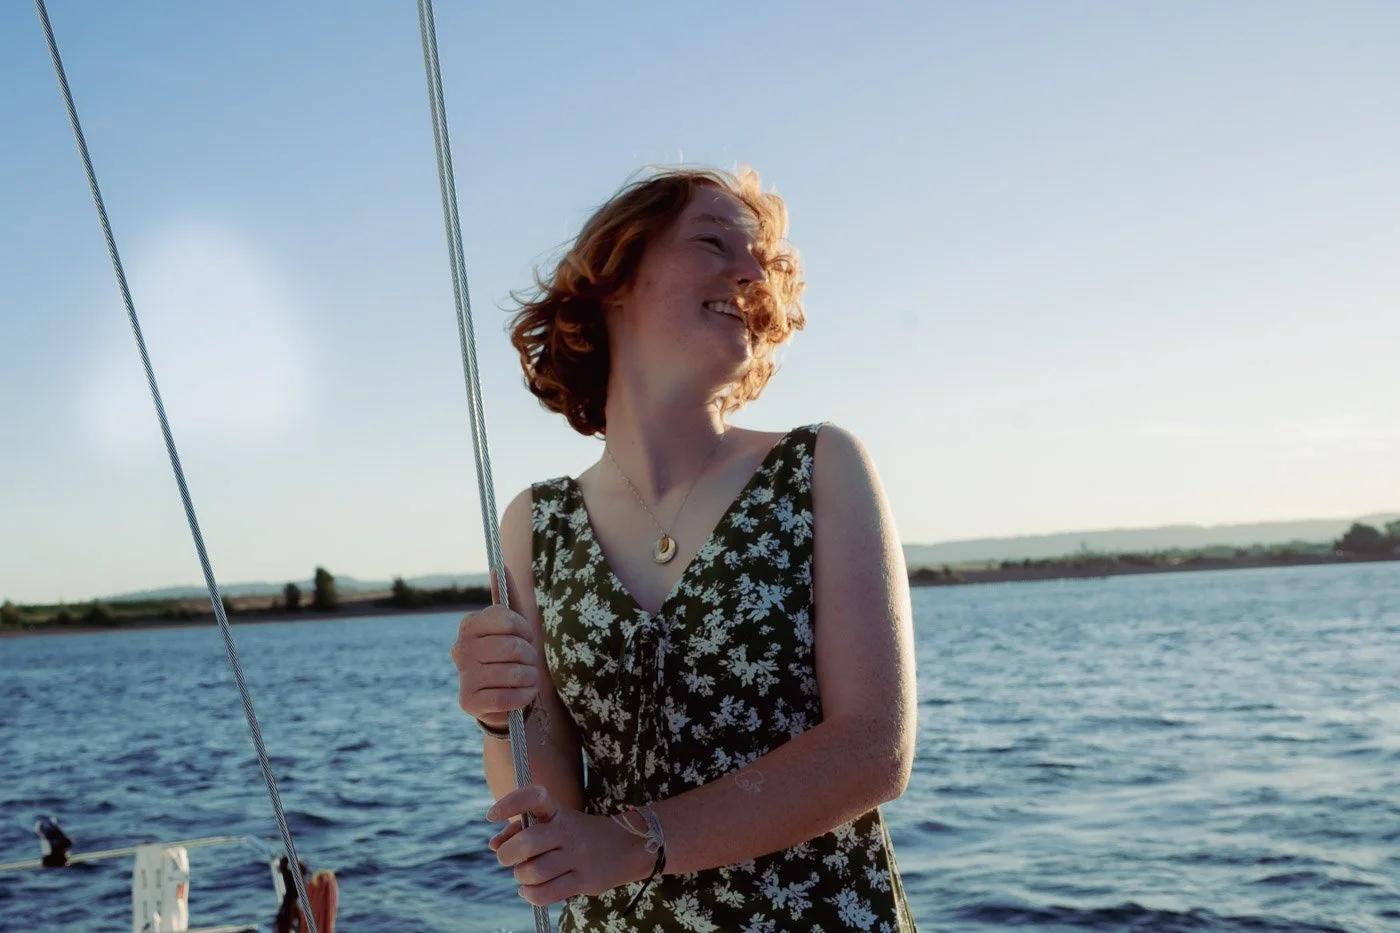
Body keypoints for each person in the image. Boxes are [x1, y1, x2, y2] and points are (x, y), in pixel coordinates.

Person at [450, 166, 918, 930]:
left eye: (760, 260)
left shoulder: (818, 468)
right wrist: (499, 717)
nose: (751, 274)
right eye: (713, 242)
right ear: (615, 277)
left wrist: (640, 840)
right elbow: (550, 811)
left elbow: (874, 748)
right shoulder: (535, 524)